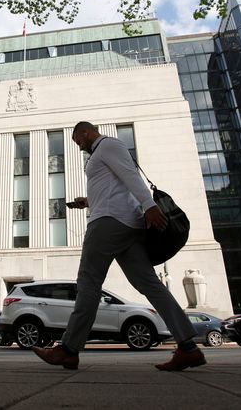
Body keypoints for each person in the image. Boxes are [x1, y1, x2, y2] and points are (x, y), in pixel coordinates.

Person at [32, 121, 206, 372]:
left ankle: (68, 350)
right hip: (127, 226)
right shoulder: (103, 152)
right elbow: (117, 187)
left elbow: (130, 176)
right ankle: (189, 349)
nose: (79, 146)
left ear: (86, 132)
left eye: (78, 140)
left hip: (108, 224)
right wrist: (88, 201)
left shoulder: (108, 145)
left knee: (88, 283)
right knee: (150, 285)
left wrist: (150, 206)